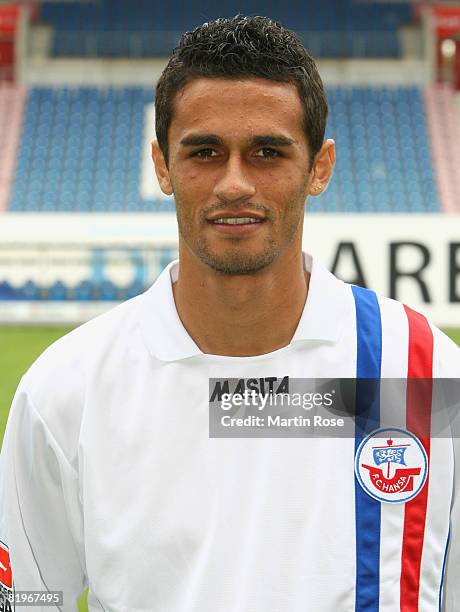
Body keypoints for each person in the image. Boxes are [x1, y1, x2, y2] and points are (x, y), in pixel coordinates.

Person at [1, 14, 459, 612]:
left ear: (320, 166)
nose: (234, 183)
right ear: (163, 165)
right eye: (205, 152)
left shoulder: (420, 370)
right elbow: (30, 600)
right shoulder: (68, 389)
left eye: (267, 152)